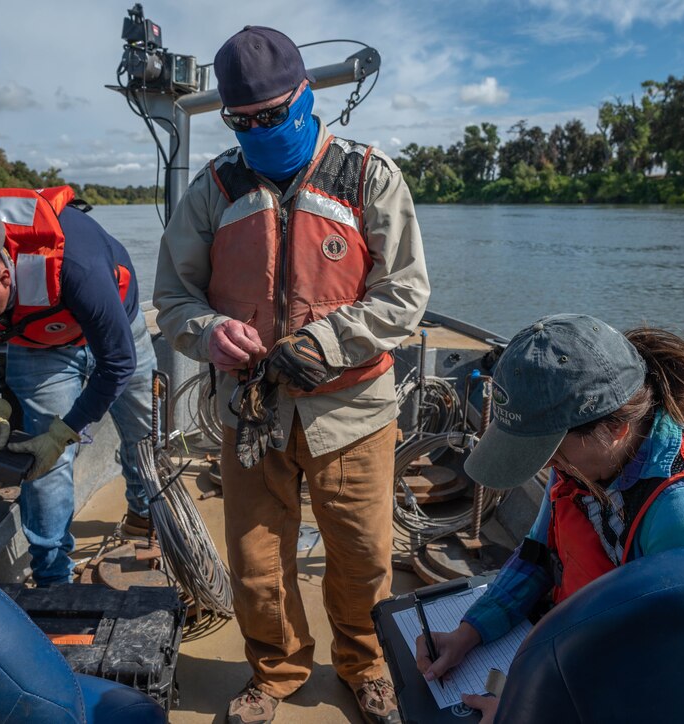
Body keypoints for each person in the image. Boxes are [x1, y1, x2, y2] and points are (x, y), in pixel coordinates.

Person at [153, 26, 430, 724]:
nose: (258, 131)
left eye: (272, 116)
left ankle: (367, 666)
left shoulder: (370, 176)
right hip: (252, 413)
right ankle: (275, 672)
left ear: (306, 99)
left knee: (364, 554)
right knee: (256, 561)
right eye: (241, 122)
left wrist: (327, 342)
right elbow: (174, 298)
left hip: (354, 412)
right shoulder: (213, 190)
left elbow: (405, 295)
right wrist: (209, 331)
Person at [414, 314, 684, 723]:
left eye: (548, 451)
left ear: (615, 428)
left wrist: (537, 714)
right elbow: (538, 554)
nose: (545, 467)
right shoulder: (582, 461)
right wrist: (470, 630)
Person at [0, 187, 158, 587]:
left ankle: (146, 514)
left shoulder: (76, 263)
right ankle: (53, 576)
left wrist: (64, 432)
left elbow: (118, 363)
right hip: (40, 346)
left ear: (4, 276)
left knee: (142, 433)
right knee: (42, 464)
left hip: (117, 332)